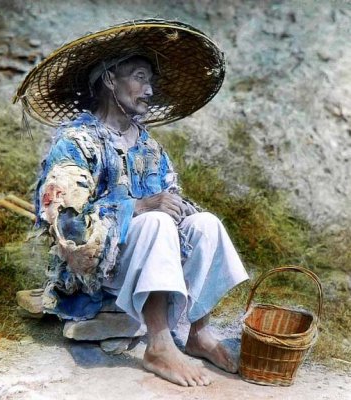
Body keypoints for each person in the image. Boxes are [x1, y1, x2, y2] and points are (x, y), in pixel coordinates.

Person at [14, 20, 249, 387]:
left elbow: (170, 194)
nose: (150, 90)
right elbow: (69, 225)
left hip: (149, 259)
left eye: (150, 81)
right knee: (154, 222)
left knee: (206, 224)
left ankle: (197, 332)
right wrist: (138, 208)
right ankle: (158, 344)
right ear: (109, 80)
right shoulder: (77, 142)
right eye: (140, 77)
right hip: (97, 273)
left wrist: (180, 208)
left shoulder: (150, 146)